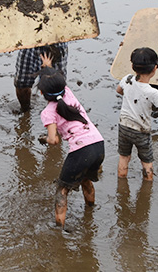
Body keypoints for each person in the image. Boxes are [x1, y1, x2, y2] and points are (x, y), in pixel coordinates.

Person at [38, 53, 104, 228]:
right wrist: (48, 67)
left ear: (41, 93)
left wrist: (45, 139)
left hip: (81, 150)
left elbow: (54, 140)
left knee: (62, 190)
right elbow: (56, 83)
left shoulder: (48, 112)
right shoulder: (68, 93)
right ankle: (90, 212)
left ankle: (59, 228)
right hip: (98, 144)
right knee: (85, 179)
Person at [115, 47, 158, 180]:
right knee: (147, 161)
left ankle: (121, 180)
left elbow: (119, 90)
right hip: (141, 130)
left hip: (124, 127)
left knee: (124, 156)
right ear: (155, 68)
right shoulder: (152, 92)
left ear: (133, 67)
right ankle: (147, 186)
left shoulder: (127, 79)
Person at [15, 42, 68, 112]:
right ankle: (25, 111)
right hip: (30, 43)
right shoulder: (69, 95)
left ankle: (55, 112)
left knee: (56, 86)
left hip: (56, 42)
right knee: (22, 83)